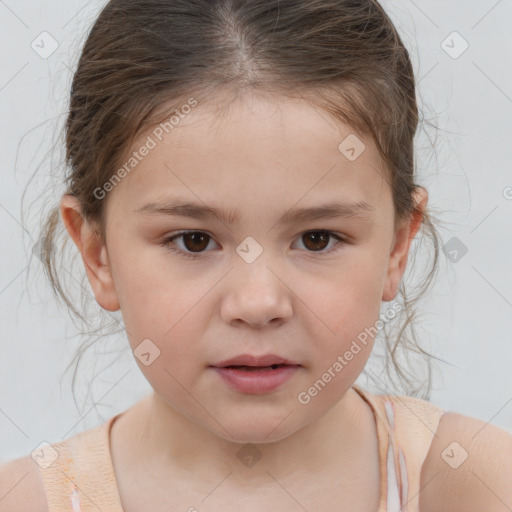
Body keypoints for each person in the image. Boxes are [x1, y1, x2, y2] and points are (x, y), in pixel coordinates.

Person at [1, 0, 511, 511]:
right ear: (98, 254)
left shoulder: (476, 484)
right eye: (193, 240)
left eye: (317, 238)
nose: (258, 302)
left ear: (398, 246)